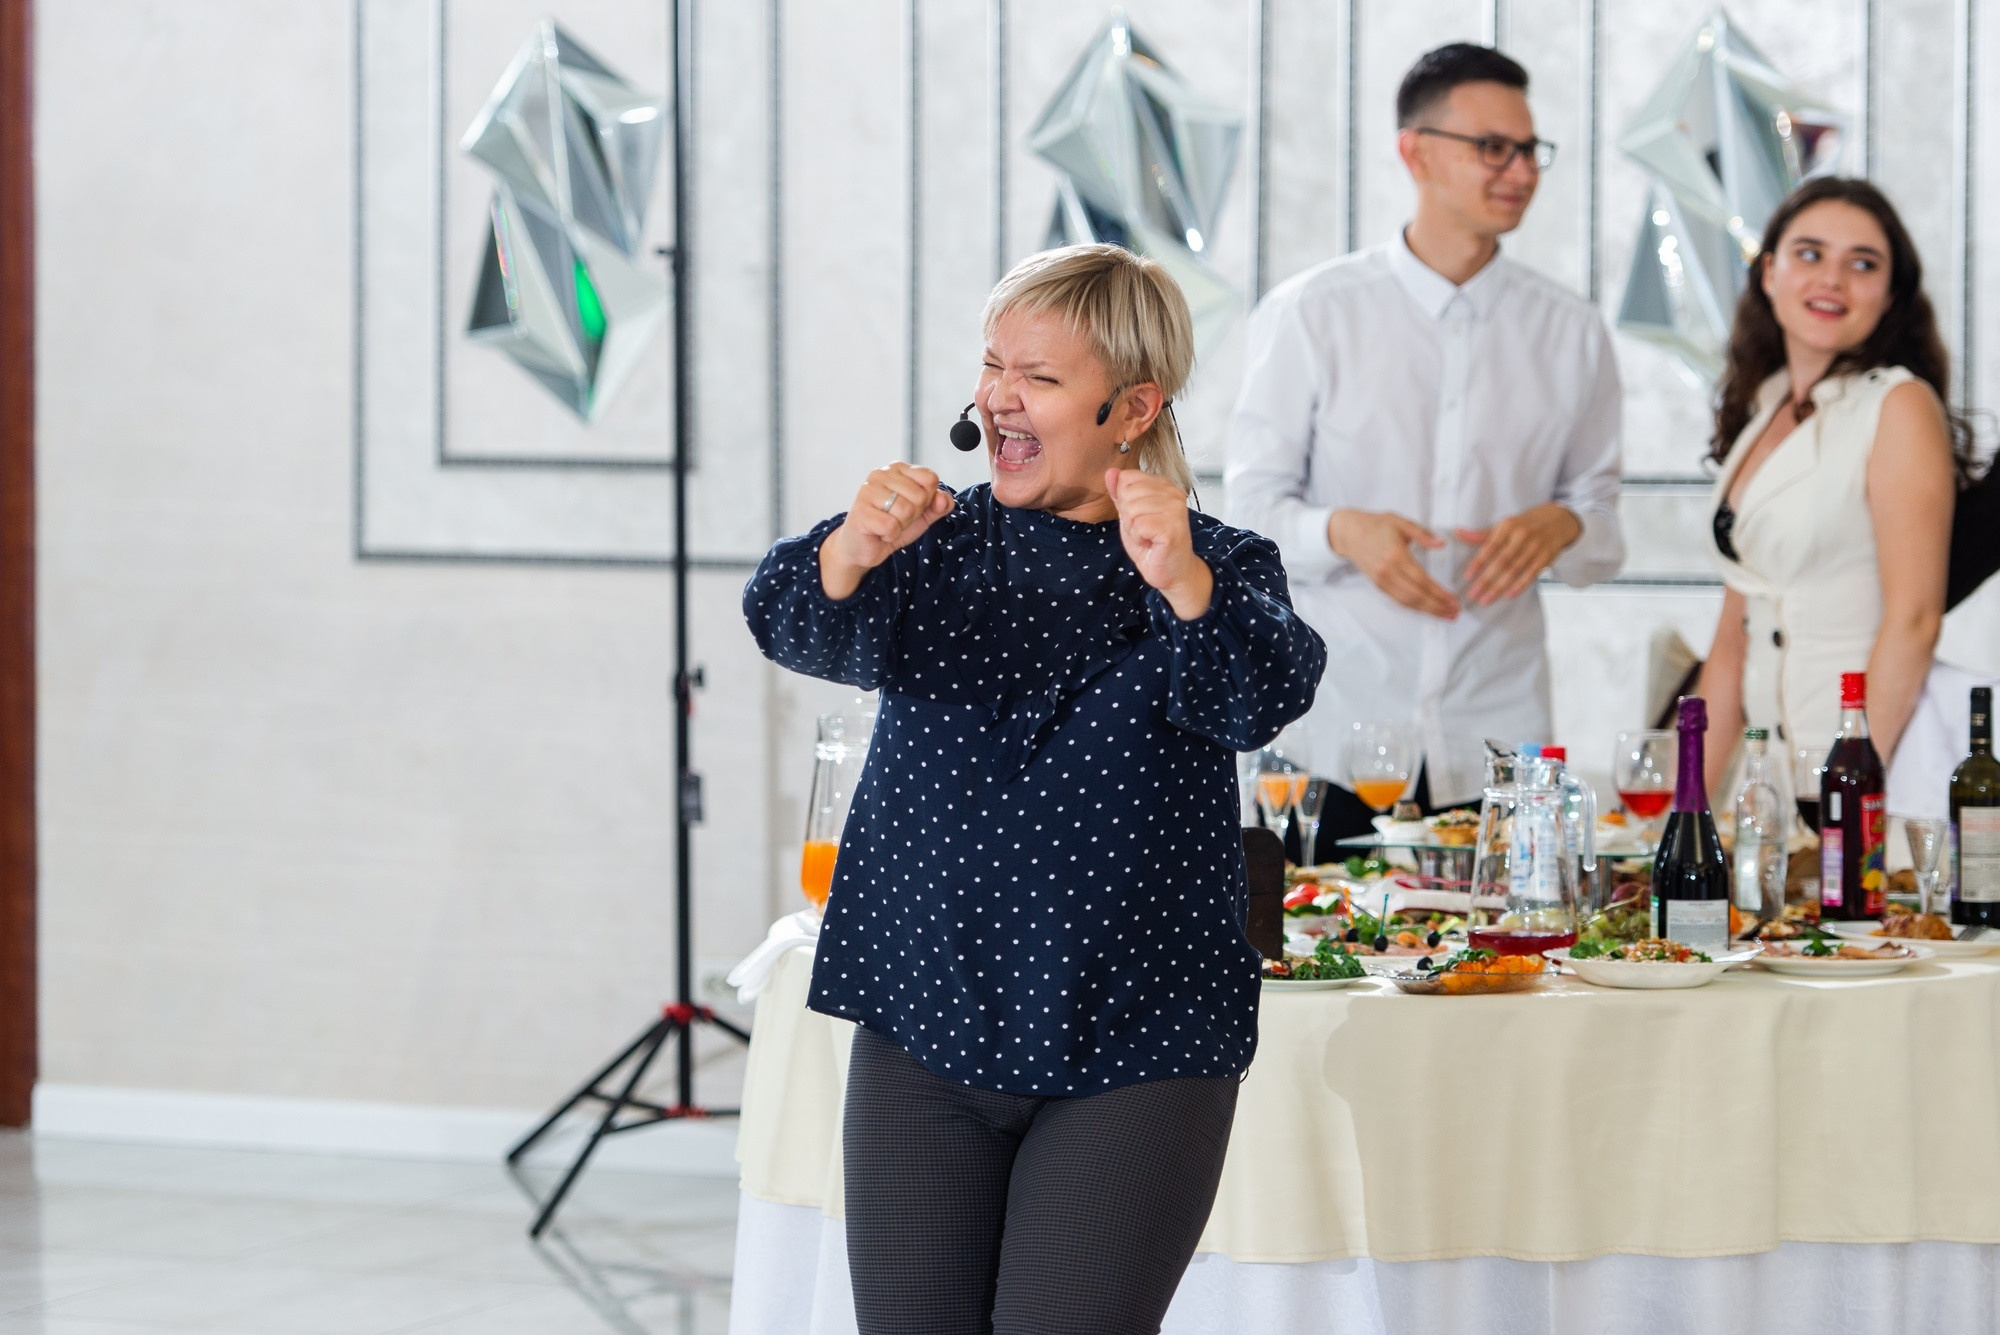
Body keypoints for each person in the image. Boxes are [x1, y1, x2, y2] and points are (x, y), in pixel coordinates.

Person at [743, 243, 1325, 1335]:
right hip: (923, 1022)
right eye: (991, 365)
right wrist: (848, 548)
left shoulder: (1219, 565)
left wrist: (1182, 582)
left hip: (1139, 1044)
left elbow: (1262, 696)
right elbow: (786, 619)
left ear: (1132, 406)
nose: (997, 397)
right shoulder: (930, 547)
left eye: (1039, 378)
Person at [1225, 43, 1623, 854]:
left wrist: (1566, 526)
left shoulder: (1571, 332)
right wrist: (1344, 531)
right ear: (1415, 151)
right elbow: (1247, 516)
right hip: (1332, 742)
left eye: (1529, 150)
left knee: (1511, 971)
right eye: (1492, 147)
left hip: (1500, 754)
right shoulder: (1313, 313)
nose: (1519, 170)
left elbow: (1602, 529)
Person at [1696, 178, 1977, 807]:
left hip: (1863, 775)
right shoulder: (1763, 406)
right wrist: (1684, 809)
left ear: (1892, 295)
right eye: (1809, 254)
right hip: (1767, 784)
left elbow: (1914, 620)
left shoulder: (1897, 404)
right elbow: (1730, 642)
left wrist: (1848, 792)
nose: (1832, 280)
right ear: (1769, 272)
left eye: (1862, 264)